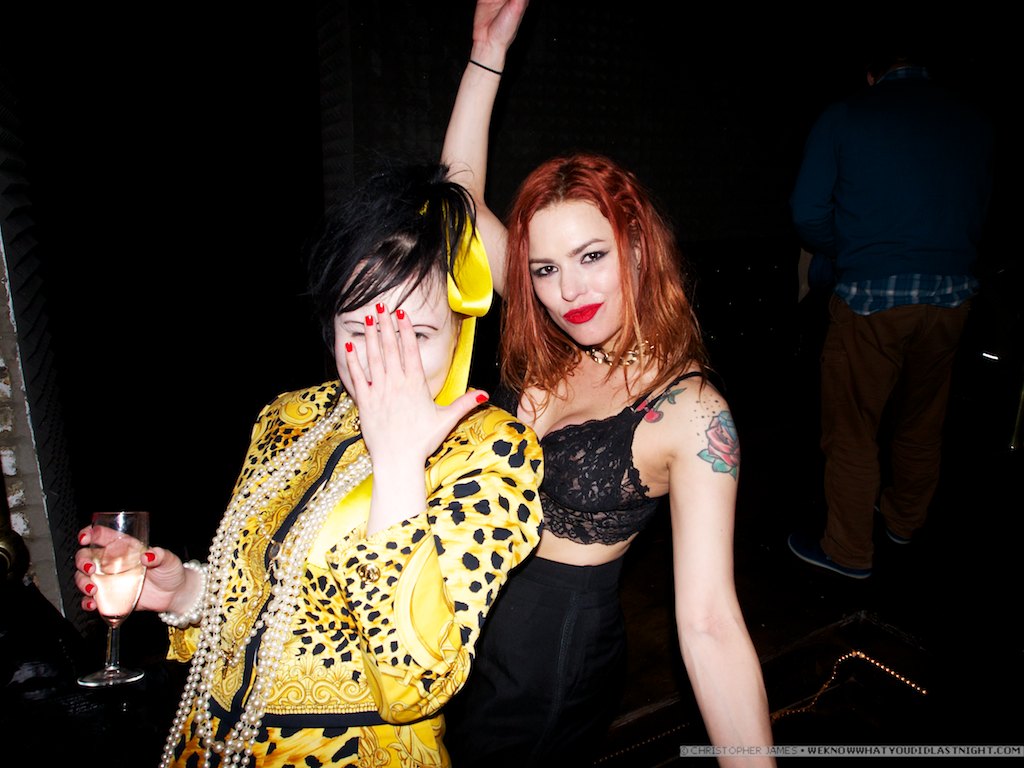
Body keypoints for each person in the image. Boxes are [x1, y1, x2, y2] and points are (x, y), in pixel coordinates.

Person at [73, 162, 544, 767]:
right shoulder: (292, 416)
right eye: (360, 330)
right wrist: (181, 592)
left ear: (460, 331)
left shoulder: (493, 449)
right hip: (207, 745)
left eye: (419, 334)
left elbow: (416, 684)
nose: (386, 360)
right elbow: (265, 601)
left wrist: (398, 461)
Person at [438, 2, 776, 765]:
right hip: (466, 614)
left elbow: (711, 624)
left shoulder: (689, 413)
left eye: (592, 256)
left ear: (637, 249)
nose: (569, 290)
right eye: (545, 268)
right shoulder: (553, 338)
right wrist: (487, 53)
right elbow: (458, 196)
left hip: (549, 659)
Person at [786, 37, 994, 579]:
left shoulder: (847, 114)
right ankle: (904, 521)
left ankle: (848, 551)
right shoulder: (973, 119)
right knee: (923, 418)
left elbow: (807, 213)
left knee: (853, 427)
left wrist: (849, 250)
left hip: (872, 299)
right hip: (953, 298)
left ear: (871, 72)